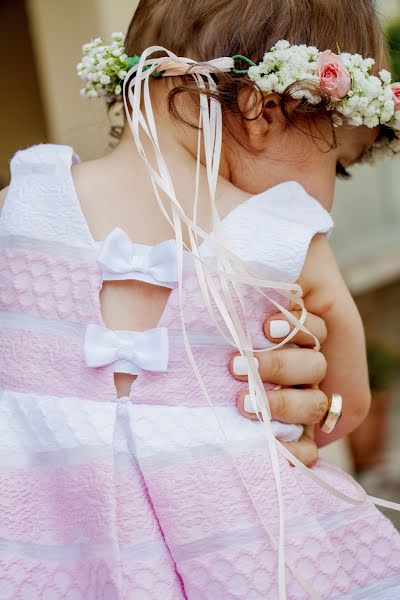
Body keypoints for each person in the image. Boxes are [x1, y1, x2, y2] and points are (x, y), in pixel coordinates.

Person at [1, 0, 400, 597]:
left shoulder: (23, 205)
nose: (328, 196)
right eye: (337, 165)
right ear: (260, 109)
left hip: (44, 549)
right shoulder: (285, 238)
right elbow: (347, 404)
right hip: (241, 556)